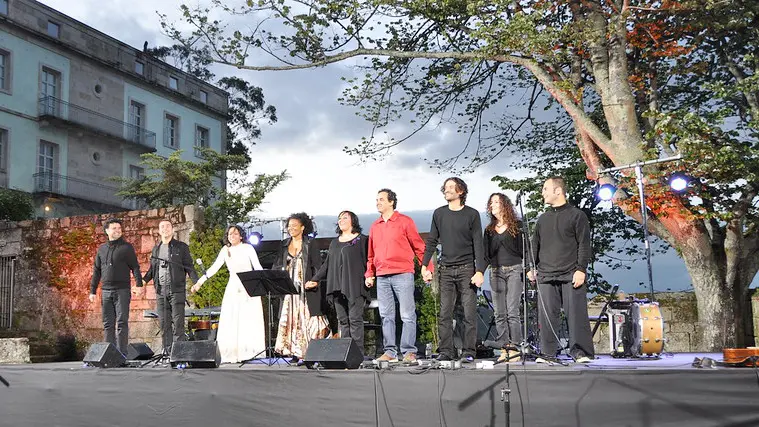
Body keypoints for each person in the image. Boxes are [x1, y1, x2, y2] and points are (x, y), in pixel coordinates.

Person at [527, 177, 594, 363]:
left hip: (571, 272)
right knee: (547, 316)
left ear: (558, 191)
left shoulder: (577, 215)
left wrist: (581, 269)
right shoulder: (543, 219)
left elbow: (584, 244)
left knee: (576, 315)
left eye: (546, 188)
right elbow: (535, 245)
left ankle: (580, 352)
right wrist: (531, 267)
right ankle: (548, 353)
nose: (543, 193)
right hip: (546, 273)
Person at [421, 177, 485, 363]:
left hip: (467, 269)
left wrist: (479, 270)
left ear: (461, 191)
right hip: (446, 269)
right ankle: (446, 351)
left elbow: (478, 243)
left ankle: (468, 351)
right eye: (445, 187)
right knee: (445, 313)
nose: (447, 190)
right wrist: (425, 265)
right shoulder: (439, 214)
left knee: (468, 312)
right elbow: (432, 240)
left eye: (451, 187)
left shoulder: (472, 214)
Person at [365, 189, 430, 364]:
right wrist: (369, 273)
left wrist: (427, 268)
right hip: (382, 275)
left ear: (391, 202)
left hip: (403, 273)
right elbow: (371, 254)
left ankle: (409, 351)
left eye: (381, 199)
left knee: (407, 314)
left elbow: (419, 247)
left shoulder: (405, 222)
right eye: (376, 199)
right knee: (386, 315)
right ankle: (390, 352)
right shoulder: (375, 226)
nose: (377, 202)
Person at [191, 225, 265, 363]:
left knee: (247, 318)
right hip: (233, 286)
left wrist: (265, 281)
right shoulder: (225, 250)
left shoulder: (248, 248)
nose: (232, 236)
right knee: (231, 317)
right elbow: (214, 268)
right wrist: (199, 282)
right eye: (230, 234)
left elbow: (257, 266)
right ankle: (232, 352)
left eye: (235, 233)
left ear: (241, 236)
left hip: (248, 285)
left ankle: (249, 352)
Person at [307, 211, 368, 356]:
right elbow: (327, 265)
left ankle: (358, 354)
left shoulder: (363, 240)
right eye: (339, 218)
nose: (341, 220)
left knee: (355, 320)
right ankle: (345, 353)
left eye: (345, 217)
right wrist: (315, 279)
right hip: (336, 286)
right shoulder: (334, 242)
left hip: (355, 286)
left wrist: (370, 276)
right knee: (343, 321)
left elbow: (370, 261)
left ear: (353, 221)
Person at [273, 213, 330, 360]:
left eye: (294, 226)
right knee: (290, 317)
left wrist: (315, 281)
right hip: (289, 288)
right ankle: (293, 351)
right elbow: (277, 264)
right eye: (289, 226)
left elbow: (317, 265)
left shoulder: (310, 244)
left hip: (305, 288)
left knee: (305, 318)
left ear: (303, 227)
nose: (291, 228)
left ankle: (306, 352)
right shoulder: (284, 244)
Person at [143, 219, 199, 352]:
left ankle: (179, 352)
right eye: (162, 226)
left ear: (172, 229)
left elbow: (189, 267)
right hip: (161, 291)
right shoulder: (156, 249)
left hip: (176, 290)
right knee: (164, 323)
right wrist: (142, 283)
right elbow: (152, 270)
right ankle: (167, 352)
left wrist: (196, 282)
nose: (165, 228)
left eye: (168, 226)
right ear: (159, 230)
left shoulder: (181, 247)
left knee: (178, 322)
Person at [89, 218, 142, 355]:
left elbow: (135, 267)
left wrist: (139, 284)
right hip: (106, 291)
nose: (118, 231)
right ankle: (109, 354)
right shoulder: (101, 249)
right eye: (114, 228)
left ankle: (122, 354)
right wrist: (92, 291)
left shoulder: (126, 247)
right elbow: (97, 271)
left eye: (119, 228)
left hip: (122, 290)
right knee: (108, 324)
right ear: (107, 231)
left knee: (122, 322)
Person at [483, 193, 524, 363]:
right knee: (499, 312)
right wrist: (478, 272)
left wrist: (528, 269)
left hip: (514, 269)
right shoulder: (489, 230)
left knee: (512, 311)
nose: (493, 205)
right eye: (491, 202)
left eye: (496, 202)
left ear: (504, 205)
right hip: (496, 271)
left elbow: (524, 250)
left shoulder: (517, 226)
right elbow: (485, 255)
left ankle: (515, 347)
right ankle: (504, 347)